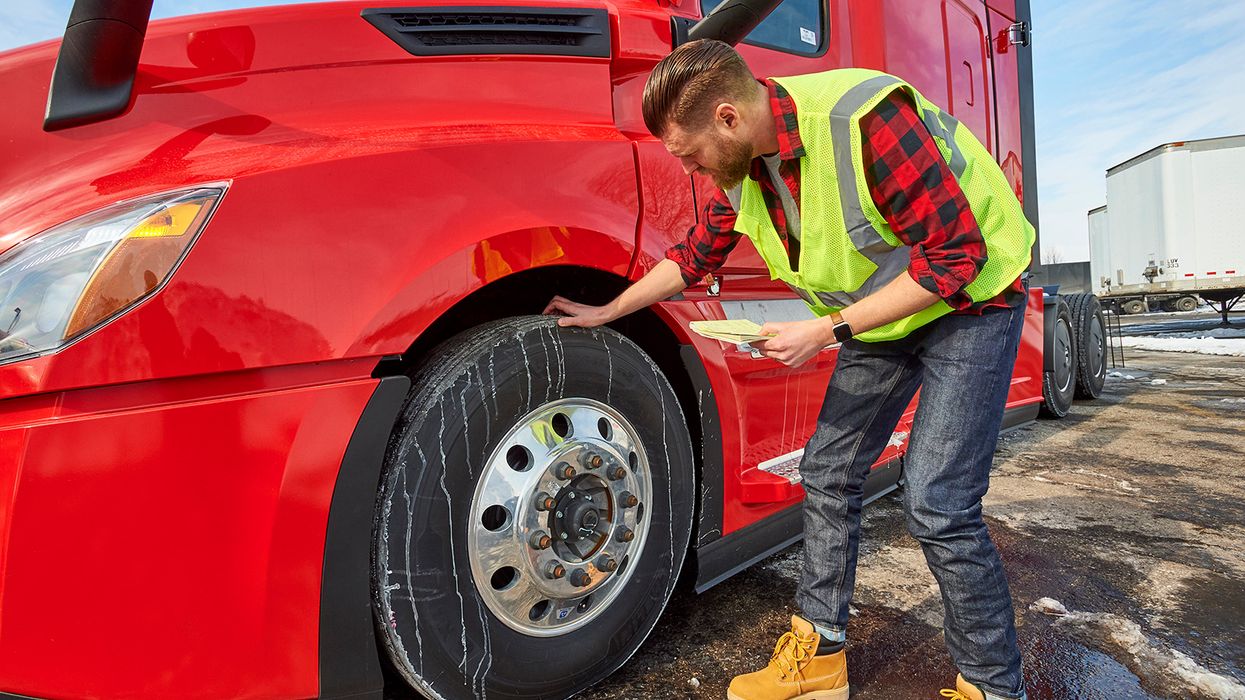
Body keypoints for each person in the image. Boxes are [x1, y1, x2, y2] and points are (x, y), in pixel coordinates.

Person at [543, 39, 1034, 700]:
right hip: (887, 317)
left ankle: (991, 686)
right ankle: (821, 661)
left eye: (687, 154)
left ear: (726, 118)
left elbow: (956, 260)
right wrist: (609, 310)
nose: (689, 170)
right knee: (828, 472)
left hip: (972, 304)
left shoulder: (865, 120)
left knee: (937, 502)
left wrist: (825, 330)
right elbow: (693, 257)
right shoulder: (742, 169)